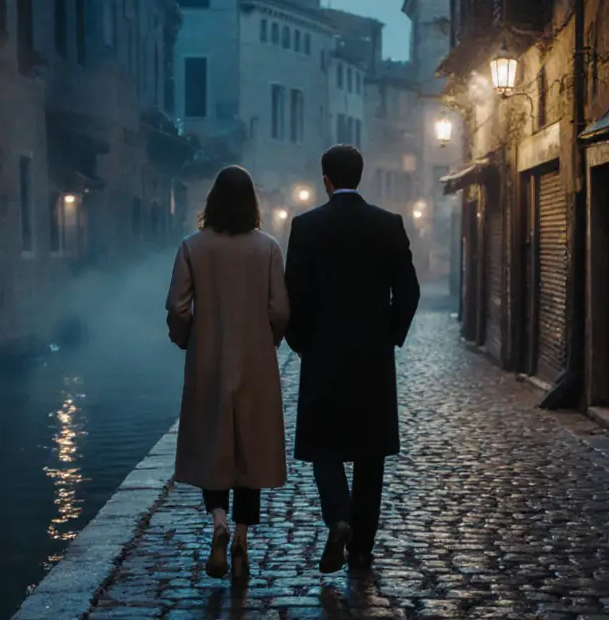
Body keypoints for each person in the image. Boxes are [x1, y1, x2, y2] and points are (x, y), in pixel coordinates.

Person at [284, 145, 421, 576]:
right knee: (369, 452)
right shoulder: (388, 225)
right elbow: (410, 292)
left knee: (324, 445)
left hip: (323, 354)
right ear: (360, 177)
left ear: (325, 181)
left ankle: (338, 517)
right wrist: (390, 335)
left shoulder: (306, 227)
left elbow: (294, 296)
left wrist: (302, 342)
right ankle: (361, 550)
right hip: (372, 358)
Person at [165, 165, 290, 581]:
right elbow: (280, 311)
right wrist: (268, 341)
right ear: (252, 204)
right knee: (249, 451)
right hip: (255, 363)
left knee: (214, 444)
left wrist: (186, 340)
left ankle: (218, 523)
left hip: (209, 362)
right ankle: (240, 537)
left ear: (212, 202)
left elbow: (178, 308)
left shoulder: (191, 247)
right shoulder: (269, 248)